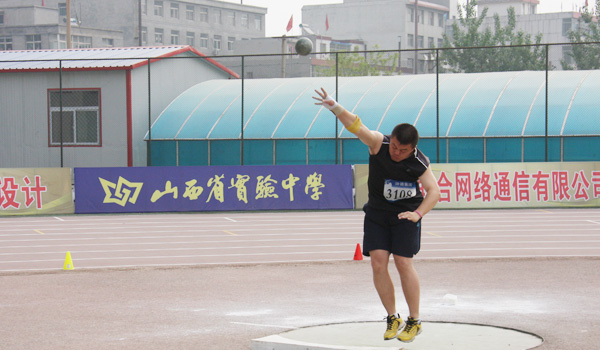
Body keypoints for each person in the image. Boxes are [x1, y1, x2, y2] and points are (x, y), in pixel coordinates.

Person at [313, 88, 441, 343]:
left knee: (404, 263)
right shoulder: (378, 144)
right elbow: (356, 126)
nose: (395, 152)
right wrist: (335, 107)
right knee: (378, 263)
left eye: (402, 150)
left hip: (405, 215)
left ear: (412, 148)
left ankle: (414, 320)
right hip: (377, 214)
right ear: (390, 139)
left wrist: (417, 214)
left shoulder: (419, 161)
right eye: (394, 146)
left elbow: (434, 191)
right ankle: (393, 317)